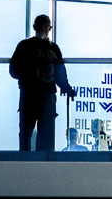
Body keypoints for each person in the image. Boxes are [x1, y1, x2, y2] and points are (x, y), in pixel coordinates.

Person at [9, 14, 77, 152]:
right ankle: (42, 165)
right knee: (39, 135)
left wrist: (65, 86)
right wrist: (66, 87)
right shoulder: (51, 49)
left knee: (27, 134)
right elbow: (59, 73)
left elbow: (14, 70)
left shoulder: (25, 46)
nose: (45, 27)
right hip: (41, 95)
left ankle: (28, 163)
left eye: (46, 25)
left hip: (33, 95)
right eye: (45, 24)